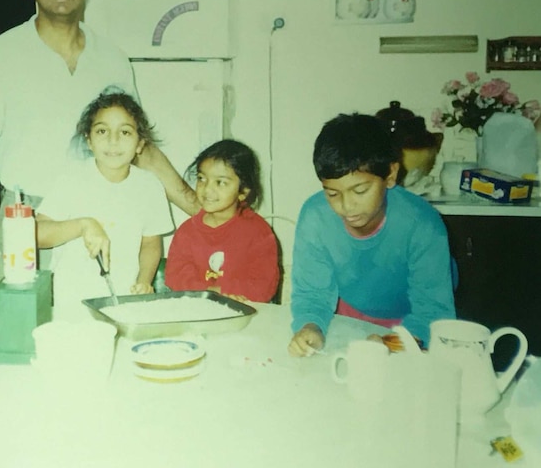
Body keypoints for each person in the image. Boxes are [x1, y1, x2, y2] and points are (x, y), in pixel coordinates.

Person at [0, 0, 196, 318]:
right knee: (18, 337)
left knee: (102, 333)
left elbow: (140, 149)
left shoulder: (112, 58)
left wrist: (198, 207)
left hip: (104, 222)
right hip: (27, 222)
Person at [288, 113, 456, 357]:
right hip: (345, 318)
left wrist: (390, 342)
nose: (346, 206)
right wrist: (310, 327)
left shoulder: (423, 224)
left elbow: (432, 314)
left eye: (360, 190)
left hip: (413, 329)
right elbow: (312, 295)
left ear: (390, 175)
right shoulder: (315, 217)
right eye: (333, 194)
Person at [36, 92, 174, 320]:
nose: (113, 140)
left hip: (123, 301)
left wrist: (143, 281)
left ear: (140, 144)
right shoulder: (71, 179)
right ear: (89, 140)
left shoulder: (149, 186)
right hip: (72, 303)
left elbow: (151, 243)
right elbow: (37, 234)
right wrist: (83, 225)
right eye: (102, 131)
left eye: (125, 132)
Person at [164, 139, 279, 305]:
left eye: (220, 182)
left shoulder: (258, 232)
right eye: (202, 178)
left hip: (244, 312)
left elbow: (264, 285)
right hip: (198, 310)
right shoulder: (187, 231)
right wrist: (209, 292)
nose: (207, 189)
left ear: (243, 192)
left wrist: (223, 290)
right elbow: (175, 277)